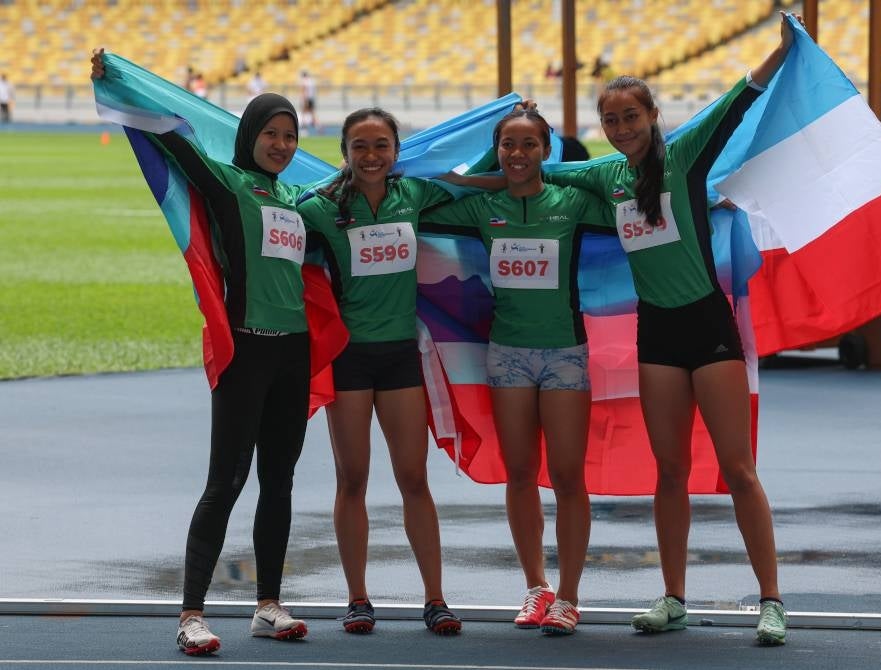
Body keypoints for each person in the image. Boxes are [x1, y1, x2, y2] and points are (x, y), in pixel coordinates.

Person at [542, 13, 801, 646]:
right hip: (655, 335)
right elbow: (534, 172)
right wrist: (469, 168)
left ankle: (771, 600)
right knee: (669, 471)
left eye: (631, 116)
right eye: (611, 120)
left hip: (708, 329)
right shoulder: (605, 176)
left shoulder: (683, 155)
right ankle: (674, 597)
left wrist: (781, 49)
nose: (621, 128)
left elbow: (735, 103)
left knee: (738, 469)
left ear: (652, 115)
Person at [92, 48, 316, 656]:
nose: (281, 143)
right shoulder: (231, 186)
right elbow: (177, 145)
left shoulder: (298, 201)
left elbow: (369, 189)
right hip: (246, 352)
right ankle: (191, 613)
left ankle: (268, 605)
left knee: (280, 482)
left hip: (293, 354)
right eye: (271, 132)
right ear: (250, 136)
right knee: (226, 481)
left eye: (290, 135)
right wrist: (118, 82)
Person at [420, 109, 613, 635]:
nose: (518, 154)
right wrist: (477, 175)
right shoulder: (483, 208)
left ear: (547, 150)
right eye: (507, 144)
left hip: (564, 355)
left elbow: (636, 204)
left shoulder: (571, 202)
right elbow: (434, 189)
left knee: (569, 478)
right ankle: (536, 587)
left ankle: (569, 597)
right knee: (522, 475)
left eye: (529, 144)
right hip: (506, 355)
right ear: (497, 149)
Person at [298, 107, 476, 636]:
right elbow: (266, 212)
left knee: (413, 479)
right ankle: (357, 598)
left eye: (381, 145)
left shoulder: (414, 195)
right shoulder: (321, 206)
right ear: (345, 153)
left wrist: (510, 119)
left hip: (401, 355)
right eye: (360, 147)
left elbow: (474, 180)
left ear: (397, 150)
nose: (371, 156)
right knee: (351, 479)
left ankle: (436, 599)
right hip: (350, 357)